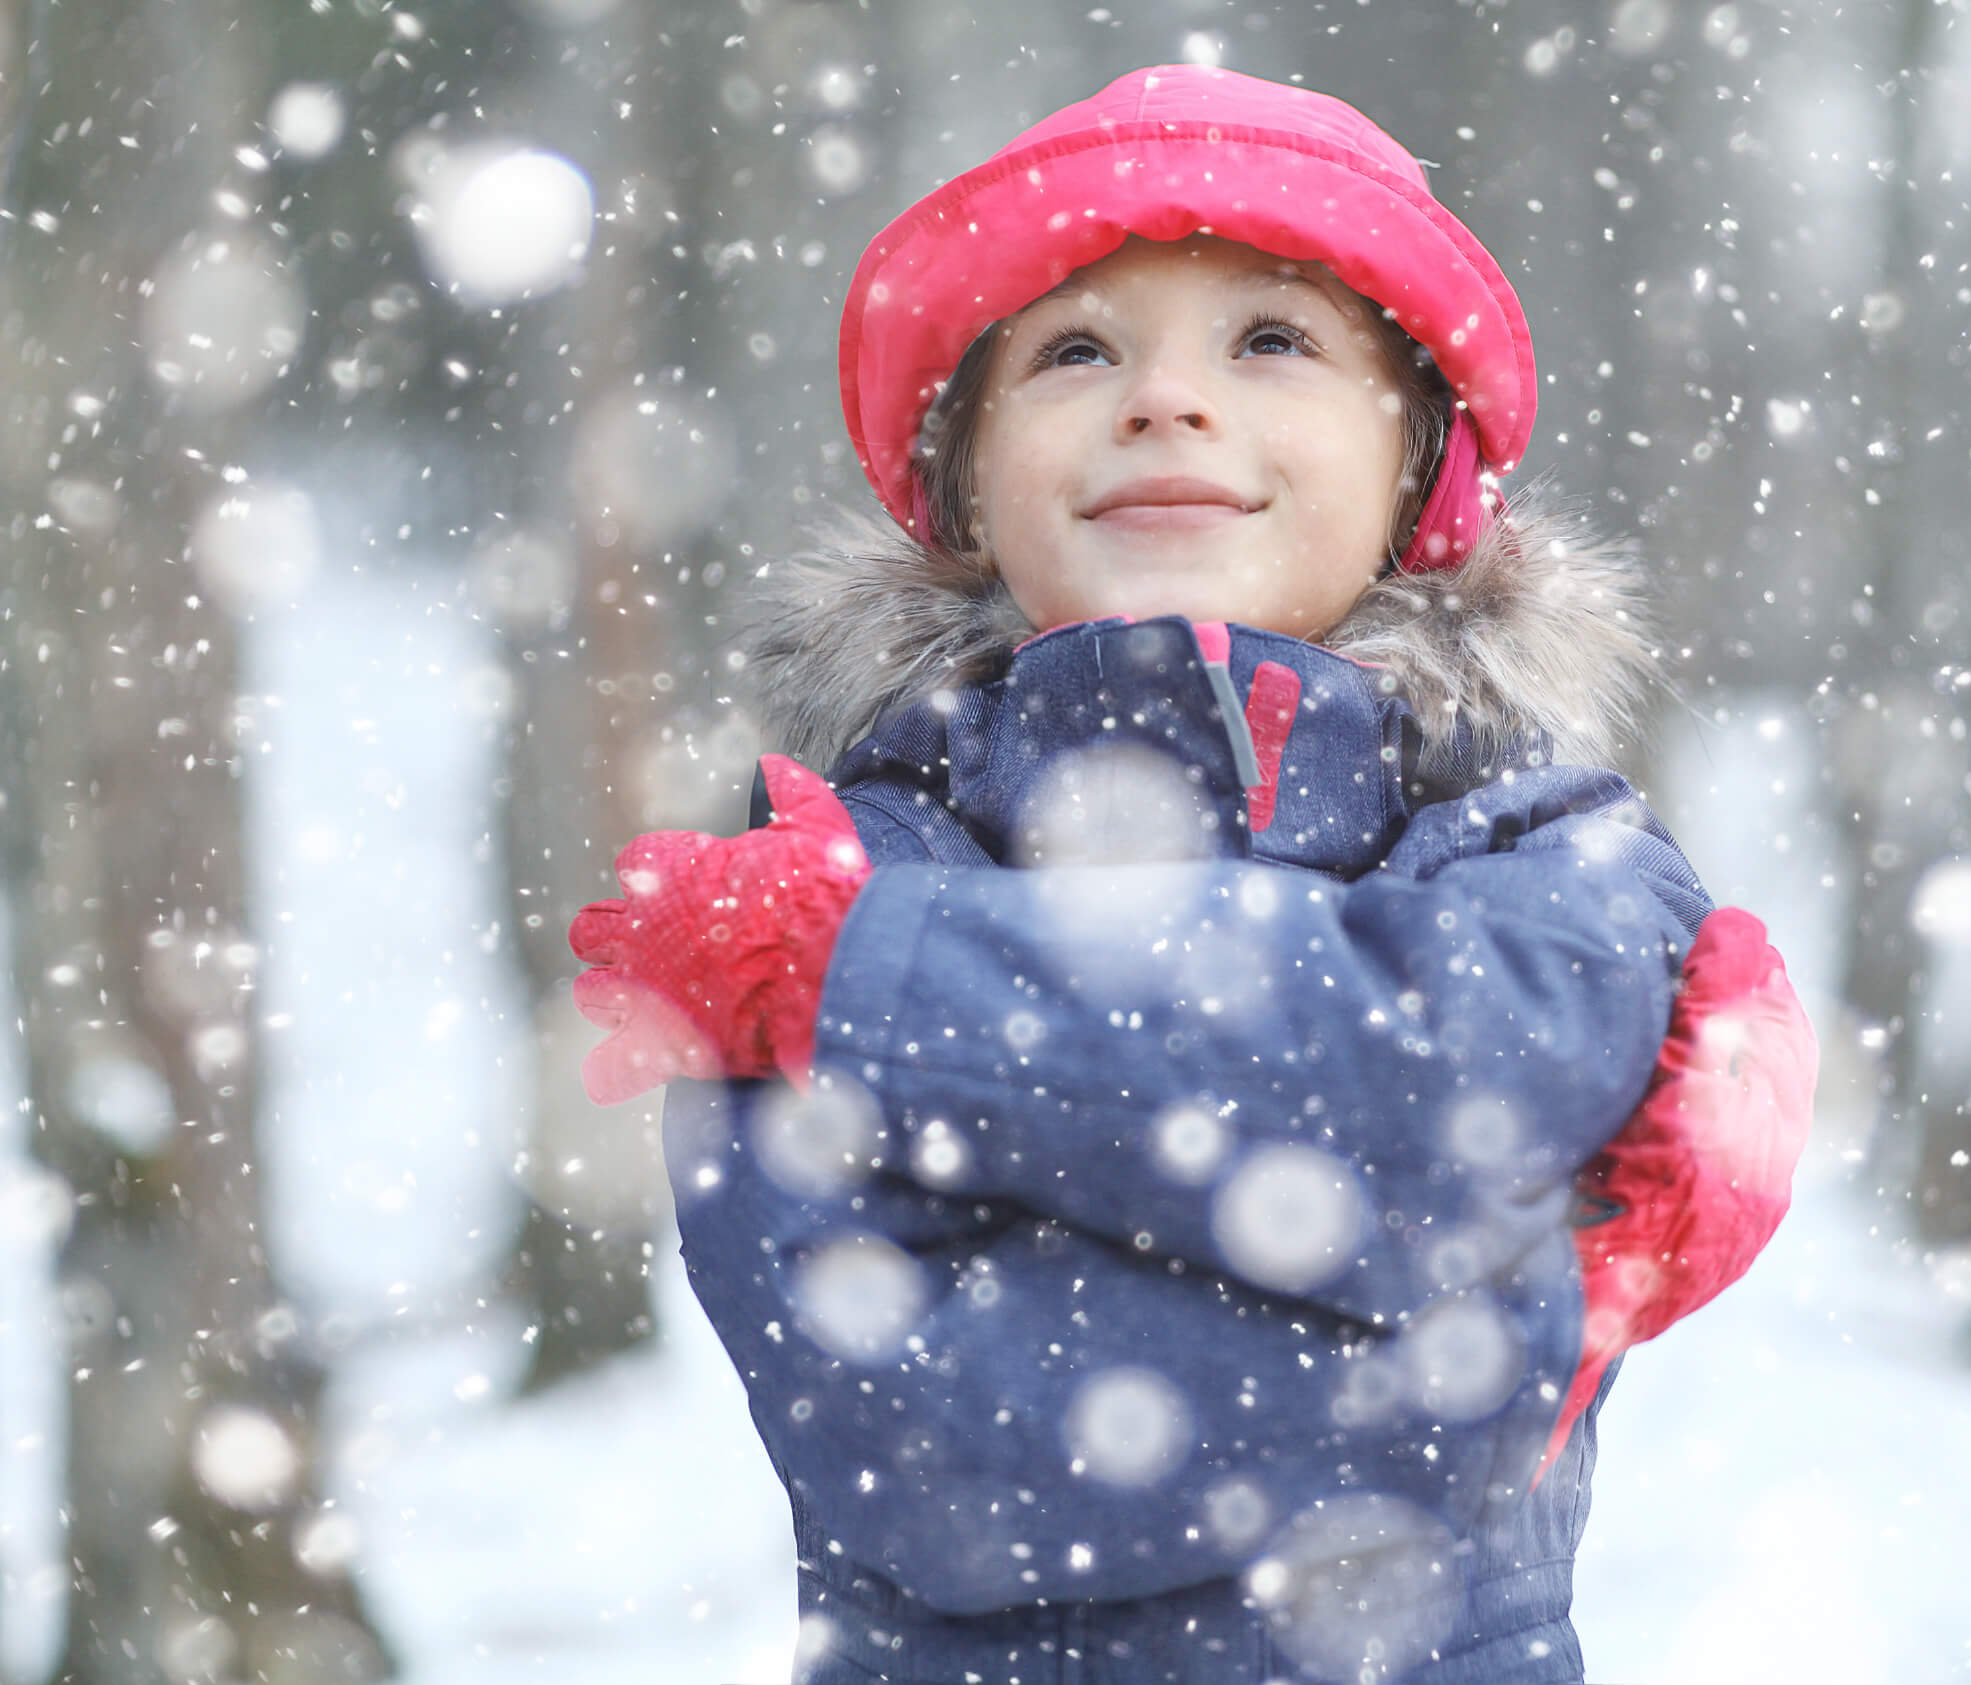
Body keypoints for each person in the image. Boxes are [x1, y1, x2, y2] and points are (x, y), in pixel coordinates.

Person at [567, 64, 1817, 1685]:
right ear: (965, 478)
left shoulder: (1547, 846)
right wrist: (1495, 1323)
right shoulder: (819, 864)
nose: (1166, 400)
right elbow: (937, 1456)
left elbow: (1447, 1076)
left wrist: (870, 983)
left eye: (1272, 341)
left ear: (1421, 470)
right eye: (1077, 350)